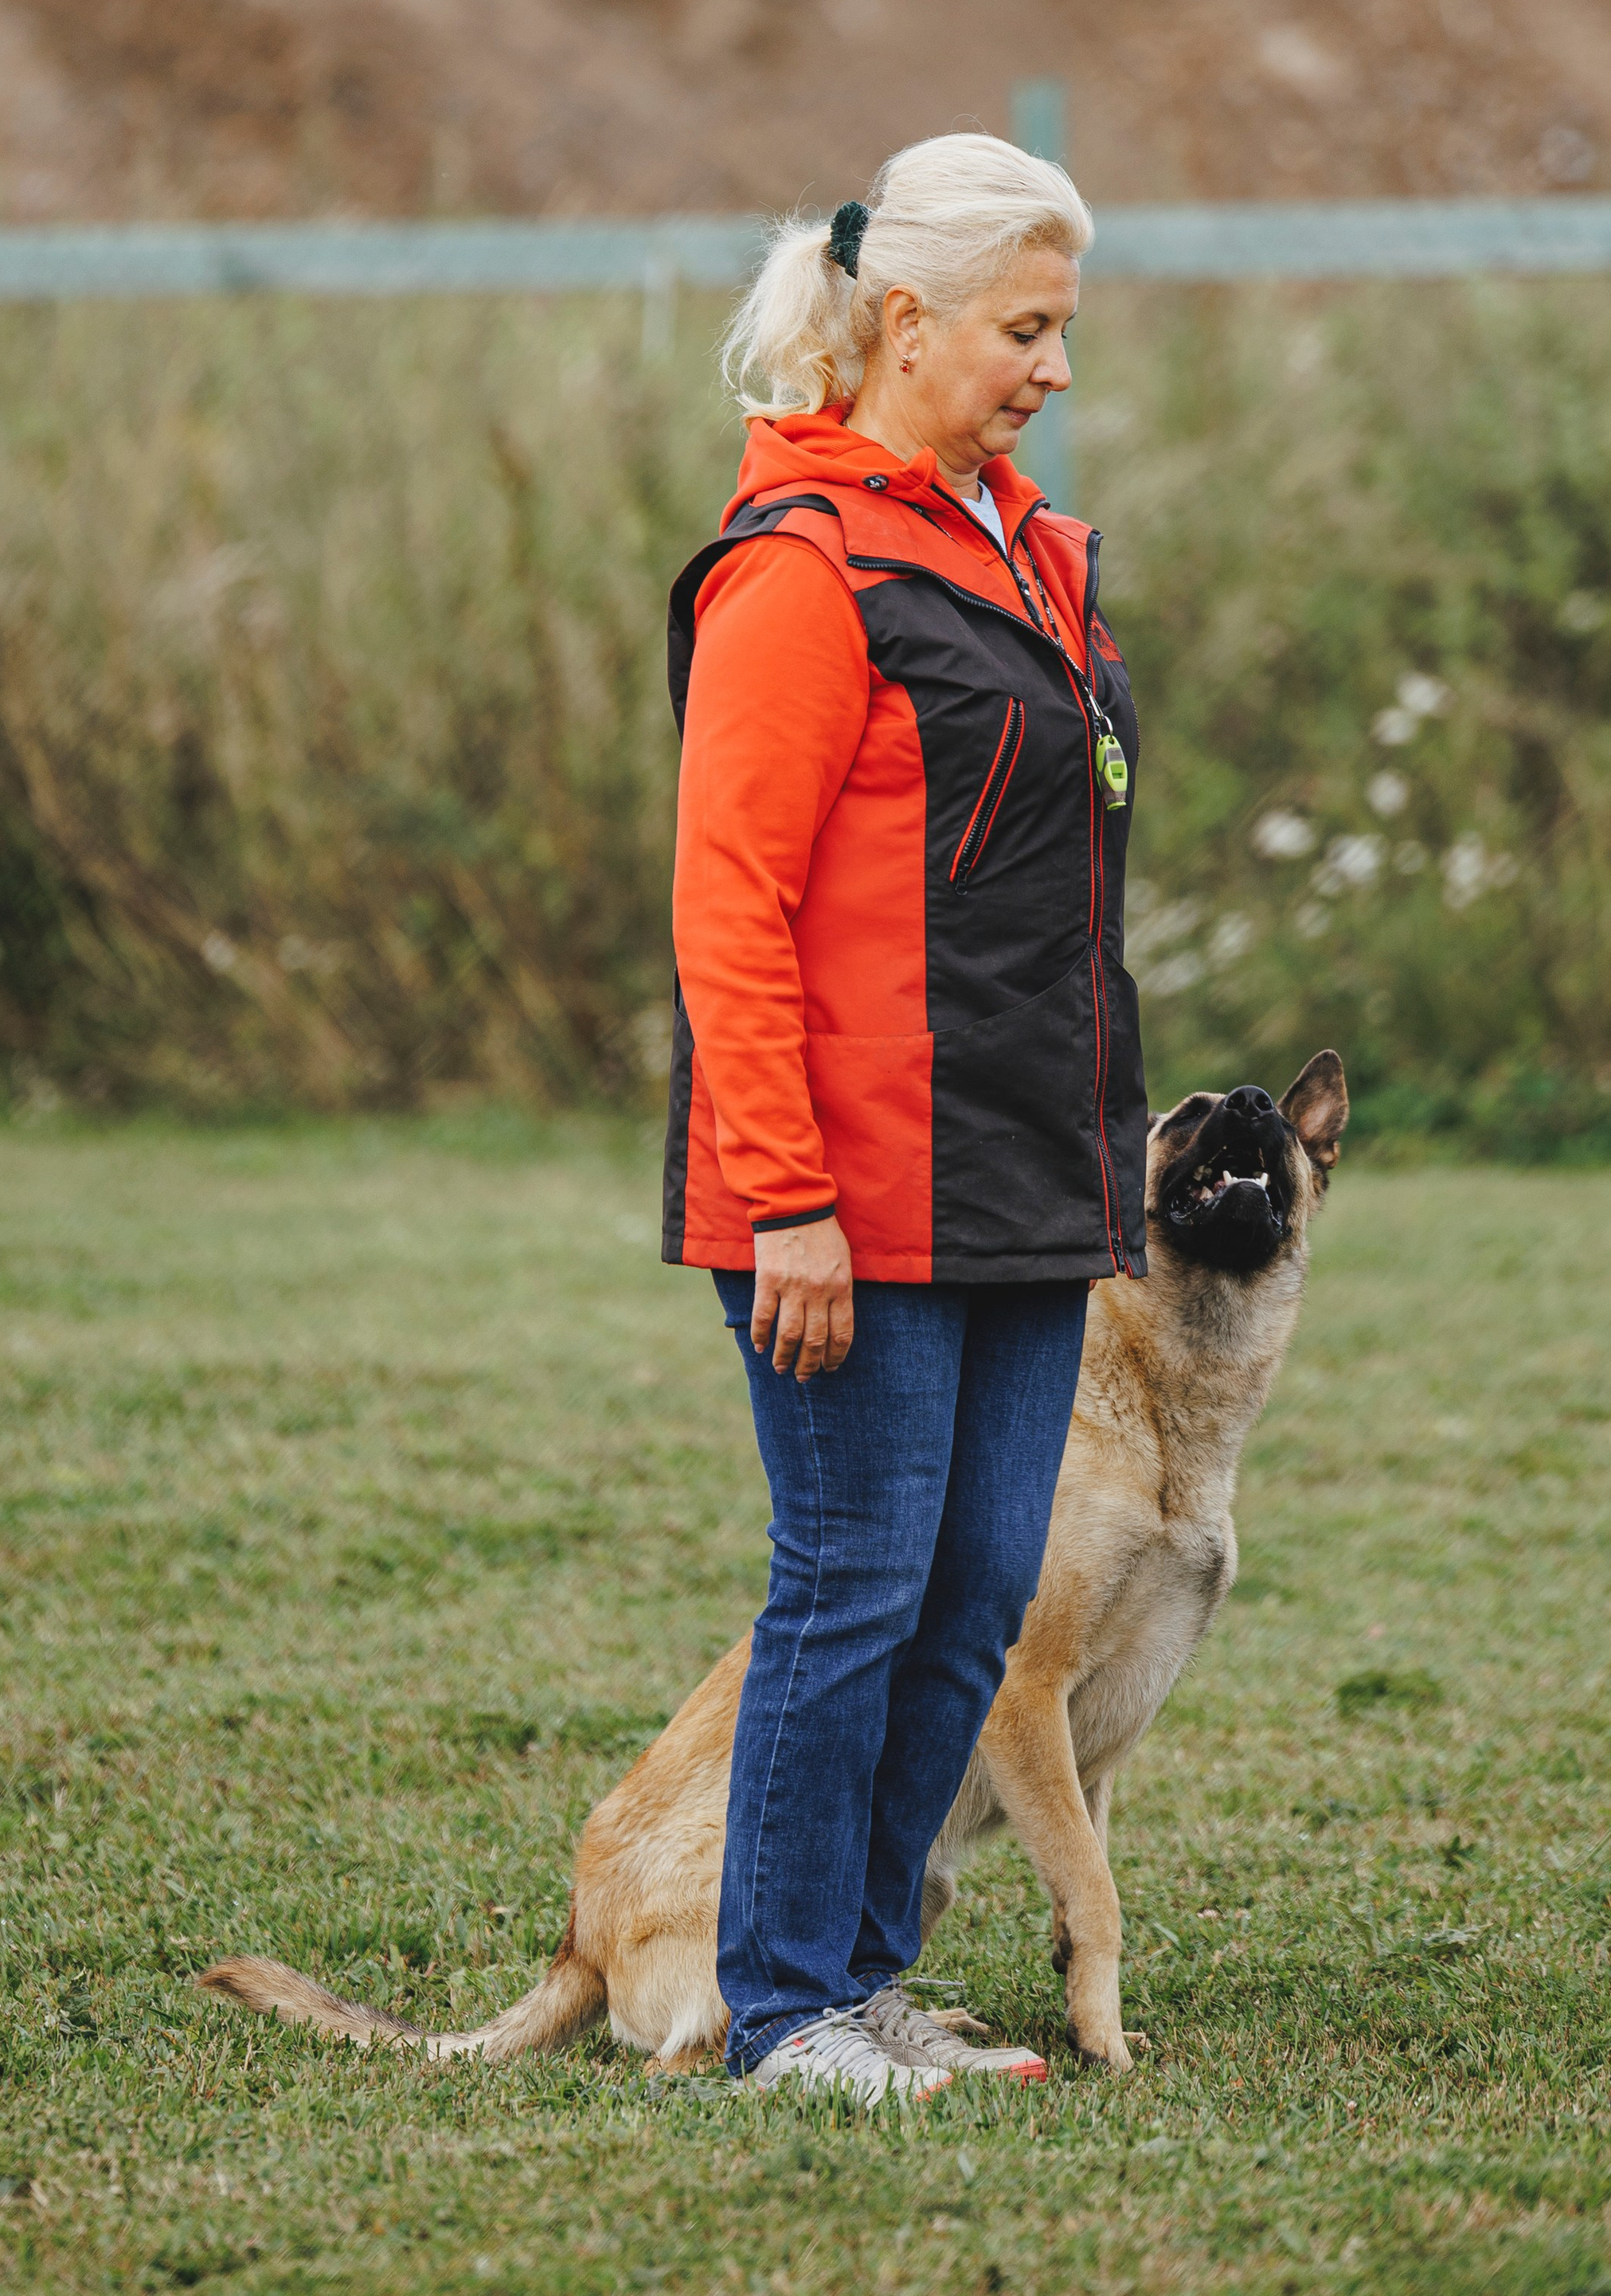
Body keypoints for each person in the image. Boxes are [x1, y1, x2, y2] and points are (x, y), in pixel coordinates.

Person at [662, 131, 1147, 2106]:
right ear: (903, 320)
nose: (1051, 366)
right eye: (1025, 329)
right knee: (852, 1585)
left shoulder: (1016, 547)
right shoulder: (799, 572)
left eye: (1061, 329)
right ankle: (782, 2014)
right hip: (844, 1194)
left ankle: (864, 1983)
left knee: (965, 1606)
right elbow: (729, 906)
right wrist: (782, 1200)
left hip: (1026, 1179)